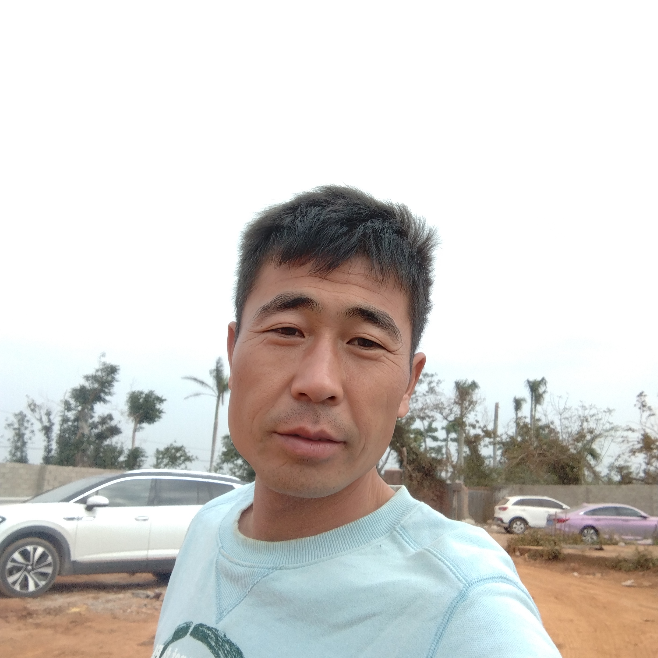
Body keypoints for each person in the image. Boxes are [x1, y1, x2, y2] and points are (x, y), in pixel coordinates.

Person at [152, 186, 560, 658]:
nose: (318, 382)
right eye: (287, 330)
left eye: (365, 342)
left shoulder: (467, 609)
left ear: (408, 384)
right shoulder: (207, 528)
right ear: (232, 349)